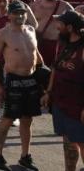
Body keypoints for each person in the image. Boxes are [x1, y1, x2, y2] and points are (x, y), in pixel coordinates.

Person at [0, 0, 44, 171]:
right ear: (9, 14)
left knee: (27, 120)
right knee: (7, 119)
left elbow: (36, 53)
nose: (20, 16)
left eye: (22, 13)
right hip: (13, 80)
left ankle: (25, 156)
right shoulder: (3, 34)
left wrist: (45, 74)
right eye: (16, 13)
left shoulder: (30, 30)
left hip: (31, 80)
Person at [43, 10, 84, 171]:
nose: (57, 26)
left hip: (77, 105)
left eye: (60, 24)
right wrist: (48, 92)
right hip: (61, 102)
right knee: (68, 141)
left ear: (70, 27)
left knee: (81, 141)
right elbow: (55, 68)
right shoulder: (64, 44)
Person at [29, 0, 73, 66]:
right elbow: (27, 23)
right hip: (37, 43)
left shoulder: (65, 6)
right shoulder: (34, 6)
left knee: (54, 68)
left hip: (56, 44)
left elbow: (74, 22)